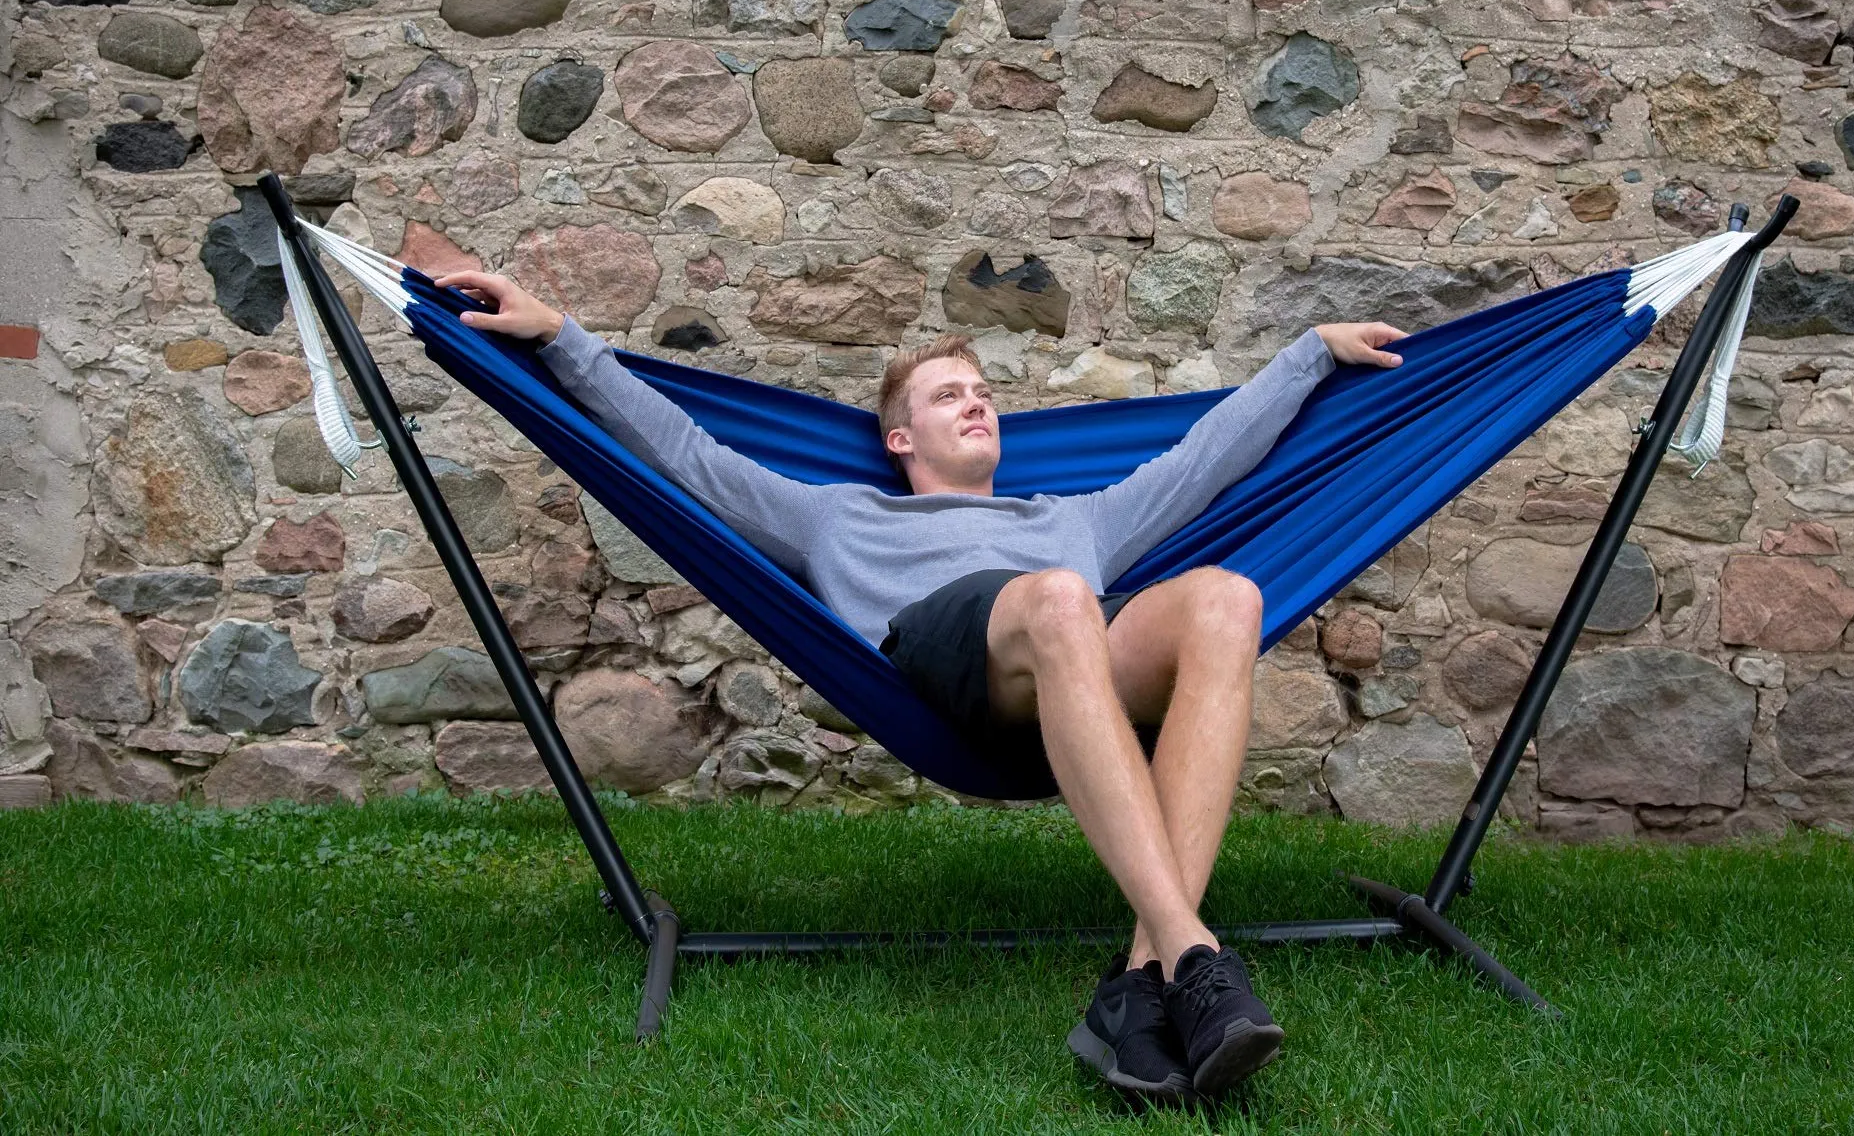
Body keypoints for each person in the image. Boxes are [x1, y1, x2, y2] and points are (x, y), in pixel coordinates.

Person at [437, 266, 1406, 1105]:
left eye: (982, 392)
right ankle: (1197, 960)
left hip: (1068, 674)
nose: (977, 403)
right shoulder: (835, 517)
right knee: (1064, 599)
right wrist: (562, 338)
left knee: (1228, 600)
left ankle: (1144, 982)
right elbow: (687, 455)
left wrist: (1308, 354)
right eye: (949, 396)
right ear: (898, 440)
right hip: (949, 658)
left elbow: (1204, 456)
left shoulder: (1079, 515)